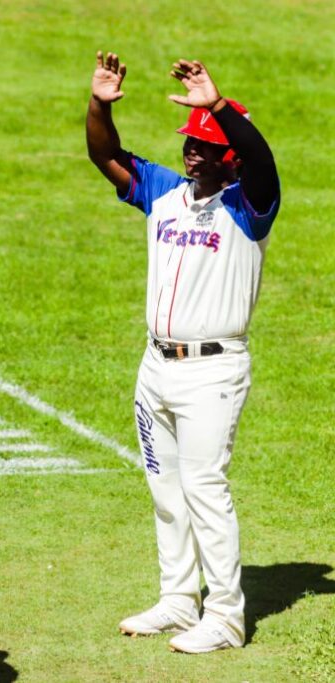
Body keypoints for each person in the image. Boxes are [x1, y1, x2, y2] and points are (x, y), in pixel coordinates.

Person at [86, 52, 280, 654]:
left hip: (213, 371)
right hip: (156, 367)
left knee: (203, 485)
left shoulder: (251, 207)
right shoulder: (166, 193)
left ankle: (224, 615)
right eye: (189, 142)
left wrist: (218, 106)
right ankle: (178, 599)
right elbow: (105, 156)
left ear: (234, 156)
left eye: (206, 144)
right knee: (165, 488)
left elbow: (267, 163)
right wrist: (100, 104)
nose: (191, 152)